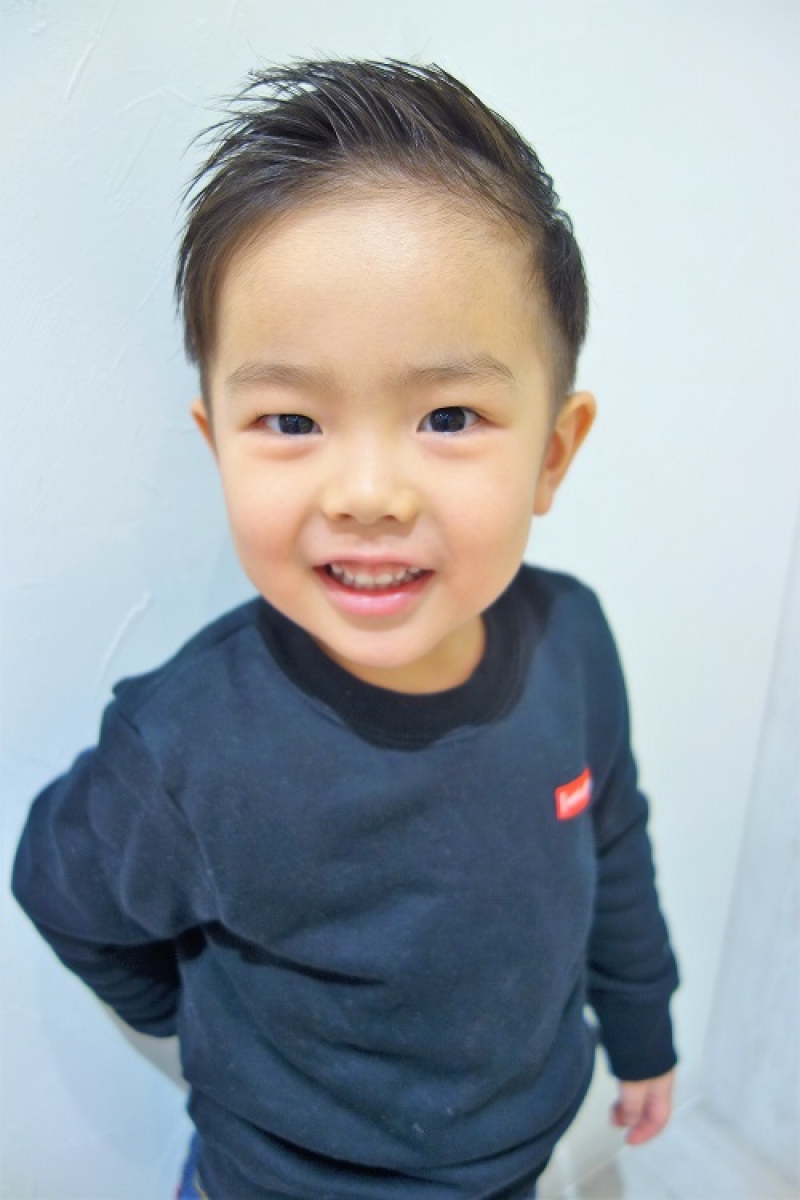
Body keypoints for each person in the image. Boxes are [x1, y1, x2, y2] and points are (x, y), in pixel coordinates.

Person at [12, 59, 679, 1200]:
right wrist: (200, 1031)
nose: (367, 492)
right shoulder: (185, 747)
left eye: (448, 415)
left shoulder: (572, 644)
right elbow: (60, 887)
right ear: (218, 443)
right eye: (290, 420)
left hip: (510, 1168)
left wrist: (642, 1026)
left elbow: (610, 839)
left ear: (552, 453)